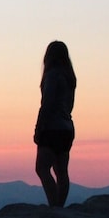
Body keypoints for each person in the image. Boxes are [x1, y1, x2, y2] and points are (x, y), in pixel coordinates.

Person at [34, 40, 76, 207]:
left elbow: (47, 103)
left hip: (52, 127)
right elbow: (70, 105)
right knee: (61, 170)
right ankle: (59, 205)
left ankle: (54, 206)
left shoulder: (52, 75)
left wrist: (39, 127)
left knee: (42, 168)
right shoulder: (70, 78)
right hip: (66, 128)